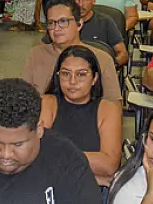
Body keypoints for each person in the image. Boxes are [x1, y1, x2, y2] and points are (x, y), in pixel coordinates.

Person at [39, 46, 122, 186]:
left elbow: (109, 166)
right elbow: (38, 154)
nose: (72, 81)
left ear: (94, 78)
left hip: (88, 193)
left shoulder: (108, 109)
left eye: (81, 74)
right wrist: (94, 176)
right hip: (49, 187)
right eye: (65, 74)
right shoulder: (47, 102)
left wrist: (57, 154)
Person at [22, 0, 120, 104]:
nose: (56, 28)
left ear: (79, 24)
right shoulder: (36, 54)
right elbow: (24, 99)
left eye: (63, 21)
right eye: (51, 23)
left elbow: (114, 105)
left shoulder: (102, 59)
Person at [69, 0, 129, 67]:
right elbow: (45, 49)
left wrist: (109, 67)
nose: (80, 4)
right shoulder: (63, 22)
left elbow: (123, 54)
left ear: (93, 0)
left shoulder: (106, 22)